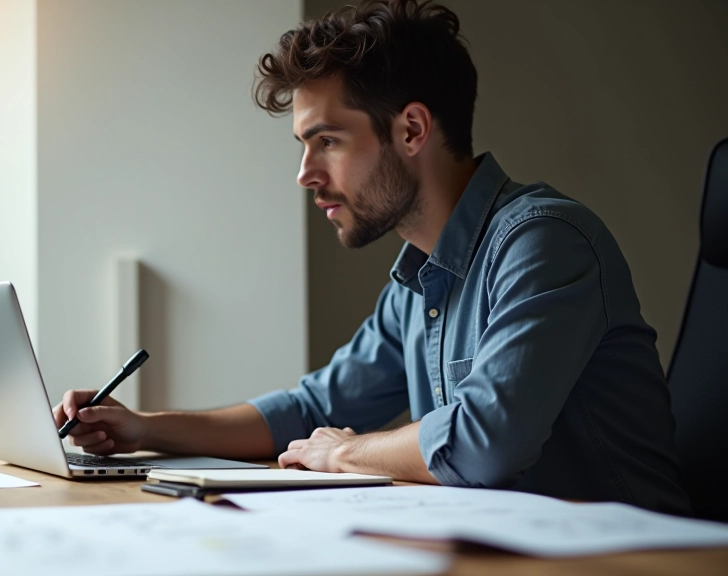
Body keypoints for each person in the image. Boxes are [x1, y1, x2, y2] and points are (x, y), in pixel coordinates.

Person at [52, 0, 691, 515]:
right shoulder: (417, 281)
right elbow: (310, 409)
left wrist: (346, 453)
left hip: (635, 562)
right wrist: (144, 428)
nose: (305, 173)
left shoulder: (544, 242)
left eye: (327, 141)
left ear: (411, 129)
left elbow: (485, 442)